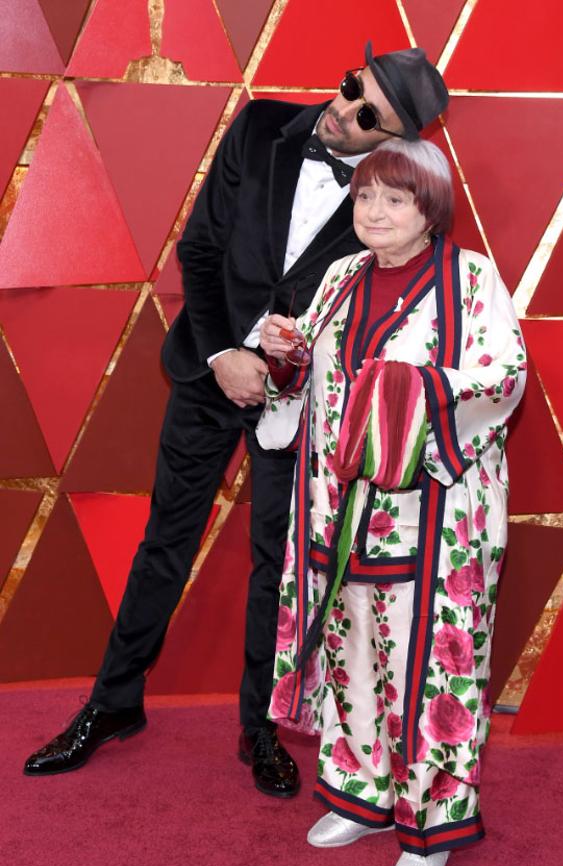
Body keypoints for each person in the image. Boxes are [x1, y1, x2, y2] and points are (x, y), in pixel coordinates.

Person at [23, 44, 450, 800]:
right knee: (164, 544)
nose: (343, 110)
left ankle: (261, 732)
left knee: (276, 570)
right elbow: (201, 247)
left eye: (368, 116)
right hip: (210, 372)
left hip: (303, 401)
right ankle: (111, 704)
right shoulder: (259, 127)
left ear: (393, 139)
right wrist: (225, 352)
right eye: (352, 87)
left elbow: (387, 313)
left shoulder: (392, 195)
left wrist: (298, 368)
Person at [257, 139, 526, 866]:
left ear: (429, 207)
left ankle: (430, 823)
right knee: (352, 652)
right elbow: (309, 378)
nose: (373, 212)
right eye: (365, 196)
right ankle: (360, 791)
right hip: (339, 509)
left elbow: (503, 378)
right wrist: (289, 356)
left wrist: (410, 389)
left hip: (434, 509)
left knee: (430, 666)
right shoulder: (342, 276)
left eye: (394, 199)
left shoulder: (469, 278)